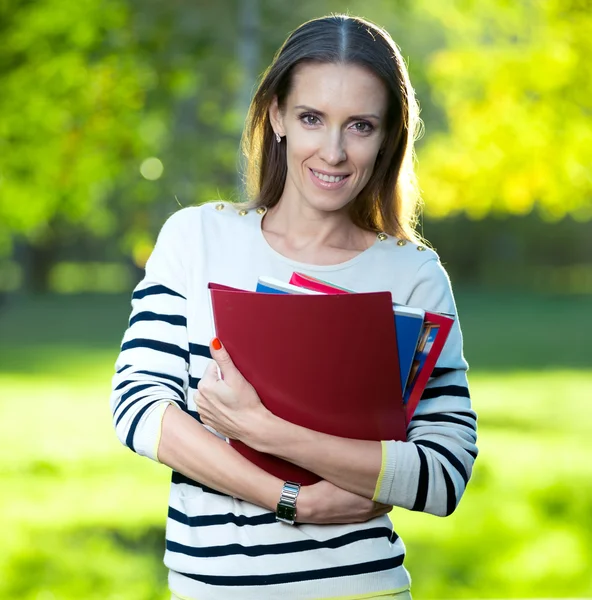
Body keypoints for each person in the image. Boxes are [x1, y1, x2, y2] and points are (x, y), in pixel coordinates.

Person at [110, 14, 478, 600]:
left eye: (360, 125)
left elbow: (443, 472)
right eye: (312, 118)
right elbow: (139, 409)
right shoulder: (196, 238)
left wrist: (266, 432)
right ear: (277, 115)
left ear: (388, 137)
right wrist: (291, 501)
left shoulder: (413, 276)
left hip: (362, 586)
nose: (333, 152)